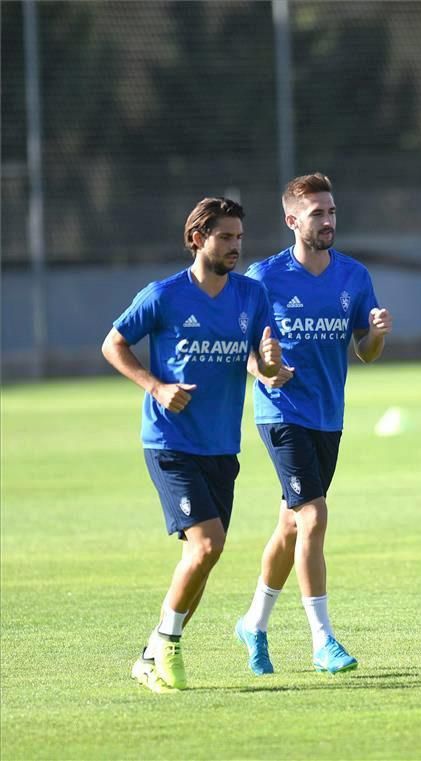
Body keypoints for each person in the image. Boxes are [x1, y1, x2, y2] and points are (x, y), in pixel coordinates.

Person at [102, 198, 282, 692]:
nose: (235, 247)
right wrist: (156, 387)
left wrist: (270, 365)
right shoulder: (163, 296)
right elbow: (113, 343)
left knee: (202, 558)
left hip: (221, 446)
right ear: (197, 238)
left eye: (239, 238)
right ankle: (167, 641)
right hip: (170, 442)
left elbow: (261, 365)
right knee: (208, 545)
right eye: (225, 237)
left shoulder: (251, 295)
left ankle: (149, 654)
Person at [235, 173, 391, 676]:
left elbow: (365, 352)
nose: (328, 221)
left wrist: (378, 336)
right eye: (318, 213)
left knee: (290, 524)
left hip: (328, 417)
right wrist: (267, 370)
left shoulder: (353, 276)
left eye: (332, 211)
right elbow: (243, 354)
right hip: (281, 414)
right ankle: (322, 640)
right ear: (292, 220)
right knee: (315, 516)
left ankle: (254, 624)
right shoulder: (263, 278)